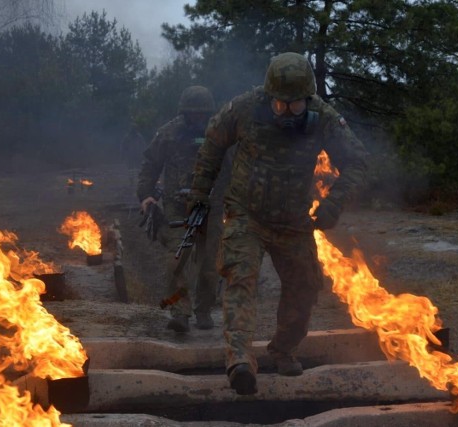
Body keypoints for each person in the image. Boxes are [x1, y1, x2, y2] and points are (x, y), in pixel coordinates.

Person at [187, 52, 370, 395]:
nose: (287, 112)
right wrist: (199, 194)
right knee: (241, 278)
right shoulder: (243, 108)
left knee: (304, 286)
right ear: (268, 97)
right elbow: (212, 144)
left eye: (296, 106)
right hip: (246, 213)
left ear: (309, 100)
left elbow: (358, 161)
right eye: (280, 105)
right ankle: (240, 360)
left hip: (293, 220)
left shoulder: (325, 119)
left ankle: (283, 349)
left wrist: (333, 203)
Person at [136, 85, 220, 333]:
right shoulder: (168, 134)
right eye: (192, 114)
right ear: (183, 113)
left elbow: (237, 167)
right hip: (177, 209)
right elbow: (150, 165)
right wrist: (146, 196)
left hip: (211, 208)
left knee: (209, 265)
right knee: (177, 260)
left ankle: (204, 309)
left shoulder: (221, 134)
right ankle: (180, 312)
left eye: (202, 114)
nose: (197, 119)